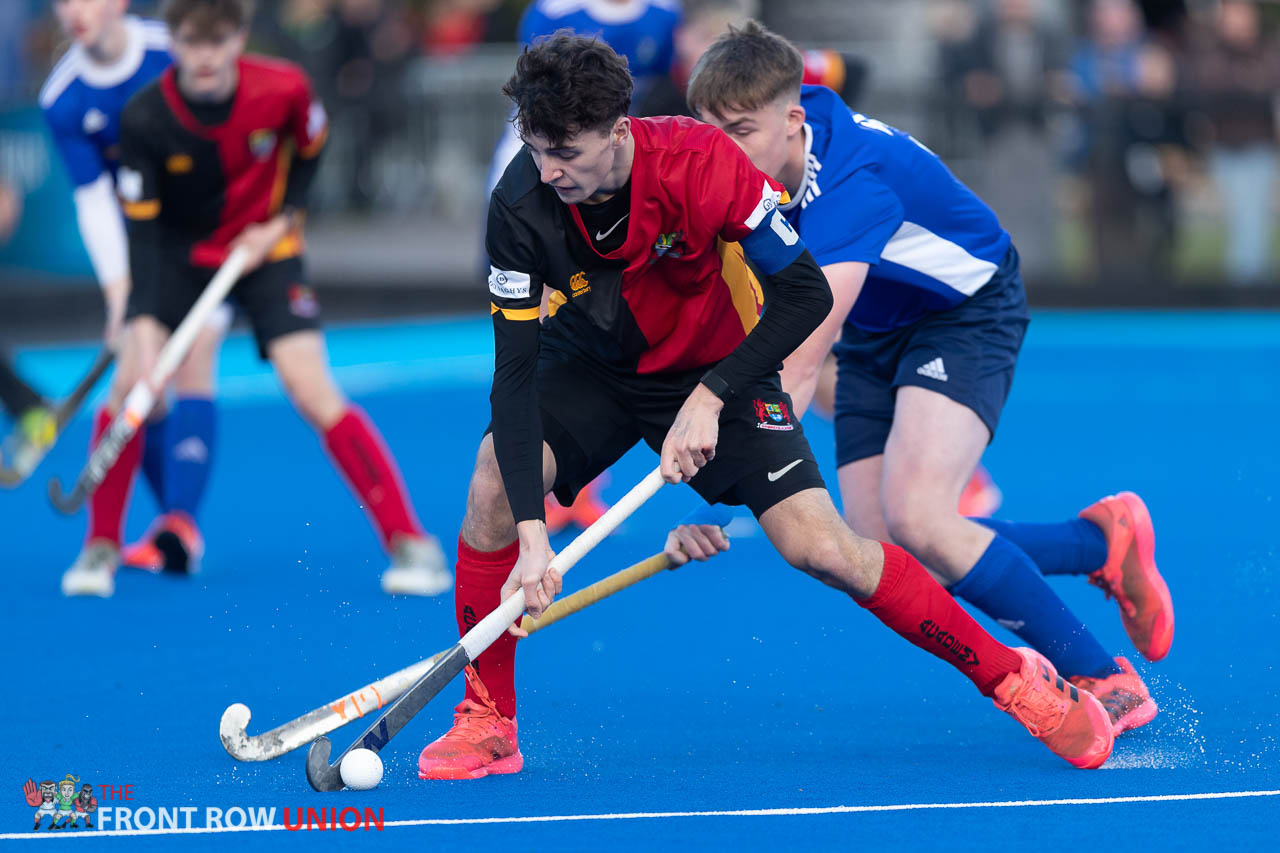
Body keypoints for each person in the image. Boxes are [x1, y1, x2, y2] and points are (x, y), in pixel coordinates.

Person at [416, 31, 1114, 781]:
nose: (548, 170)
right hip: (590, 363)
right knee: (493, 479)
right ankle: (488, 718)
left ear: (618, 129)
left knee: (826, 550)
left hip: (721, 364)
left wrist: (711, 396)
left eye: (565, 152)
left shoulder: (700, 162)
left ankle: (1014, 678)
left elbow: (804, 294)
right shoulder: (520, 203)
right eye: (536, 149)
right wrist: (531, 533)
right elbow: (515, 377)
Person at [675, 20, 1173, 736]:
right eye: (710, 131)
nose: (723, 151)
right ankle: (1096, 544)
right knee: (891, 547)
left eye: (741, 132)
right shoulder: (773, 149)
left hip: (963, 315)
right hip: (878, 329)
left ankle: (1102, 674)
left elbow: (802, 362)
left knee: (921, 516)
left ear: (791, 119)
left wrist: (723, 489)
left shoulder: (850, 187)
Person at [59, 0, 450, 600]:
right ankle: (101, 546)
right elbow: (141, 233)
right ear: (173, 42)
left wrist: (282, 221)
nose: (206, 57)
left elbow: (311, 150)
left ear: (240, 38)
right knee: (133, 381)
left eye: (218, 41)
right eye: (192, 42)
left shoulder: (284, 88)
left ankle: (409, 540)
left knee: (311, 387)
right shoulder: (145, 117)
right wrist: (140, 322)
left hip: (266, 251)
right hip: (177, 261)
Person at [40, 0, 226, 571]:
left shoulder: (170, 52)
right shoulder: (62, 97)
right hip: (140, 245)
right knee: (135, 381)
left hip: (209, 230)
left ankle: (173, 527)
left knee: (193, 358)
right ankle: (121, 539)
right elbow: (95, 203)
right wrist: (120, 292)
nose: (74, 10)